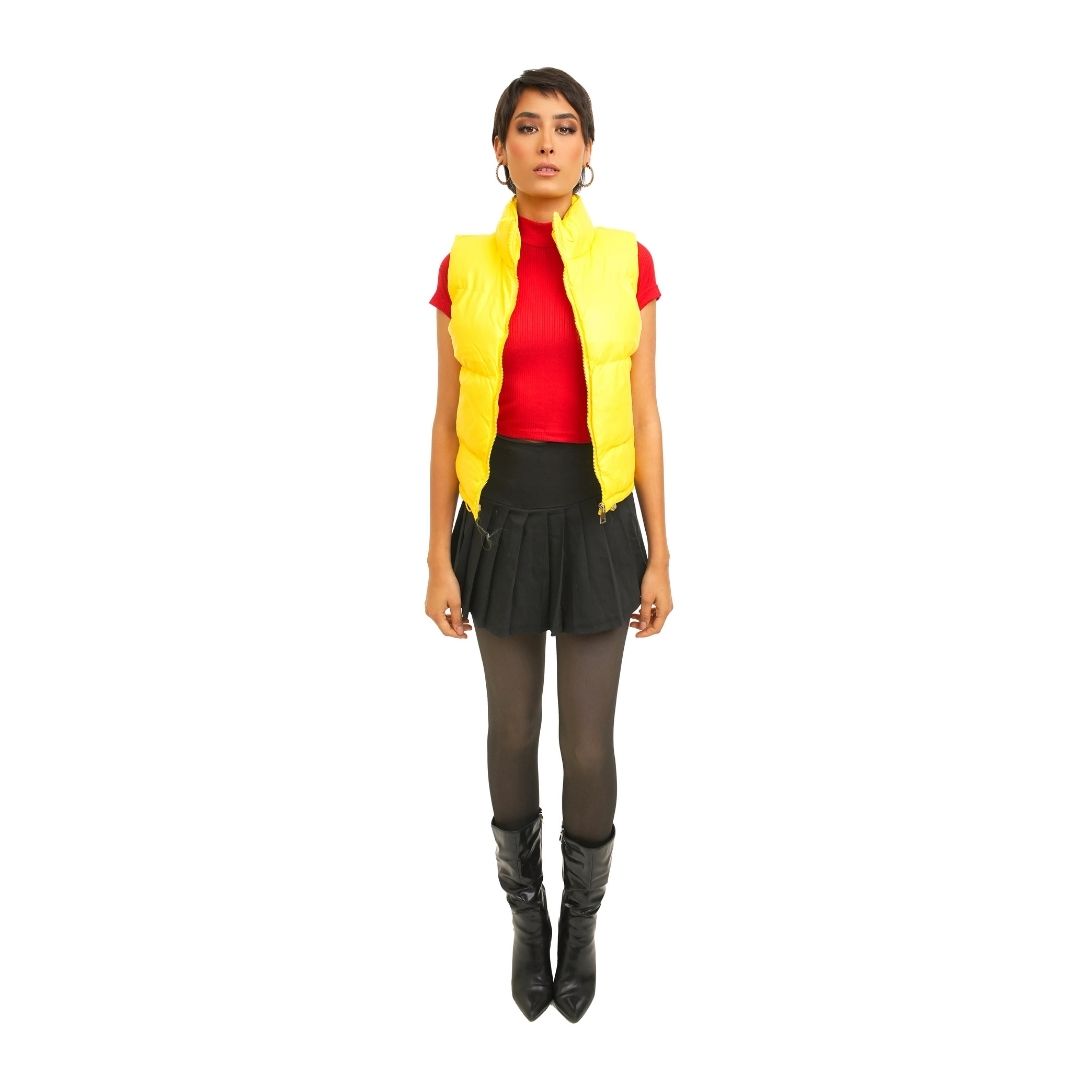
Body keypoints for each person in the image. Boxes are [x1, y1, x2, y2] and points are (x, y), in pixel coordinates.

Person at [425, 67, 673, 1023]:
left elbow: (644, 414)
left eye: (566, 129)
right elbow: (445, 419)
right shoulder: (464, 266)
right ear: (500, 148)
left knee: (588, 742)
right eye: (526, 128)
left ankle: (584, 917)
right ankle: (526, 916)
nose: (546, 145)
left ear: (588, 150)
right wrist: (437, 557)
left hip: (600, 520)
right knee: (510, 731)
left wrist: (661, 552)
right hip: (499, 518)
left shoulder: (626, 261)